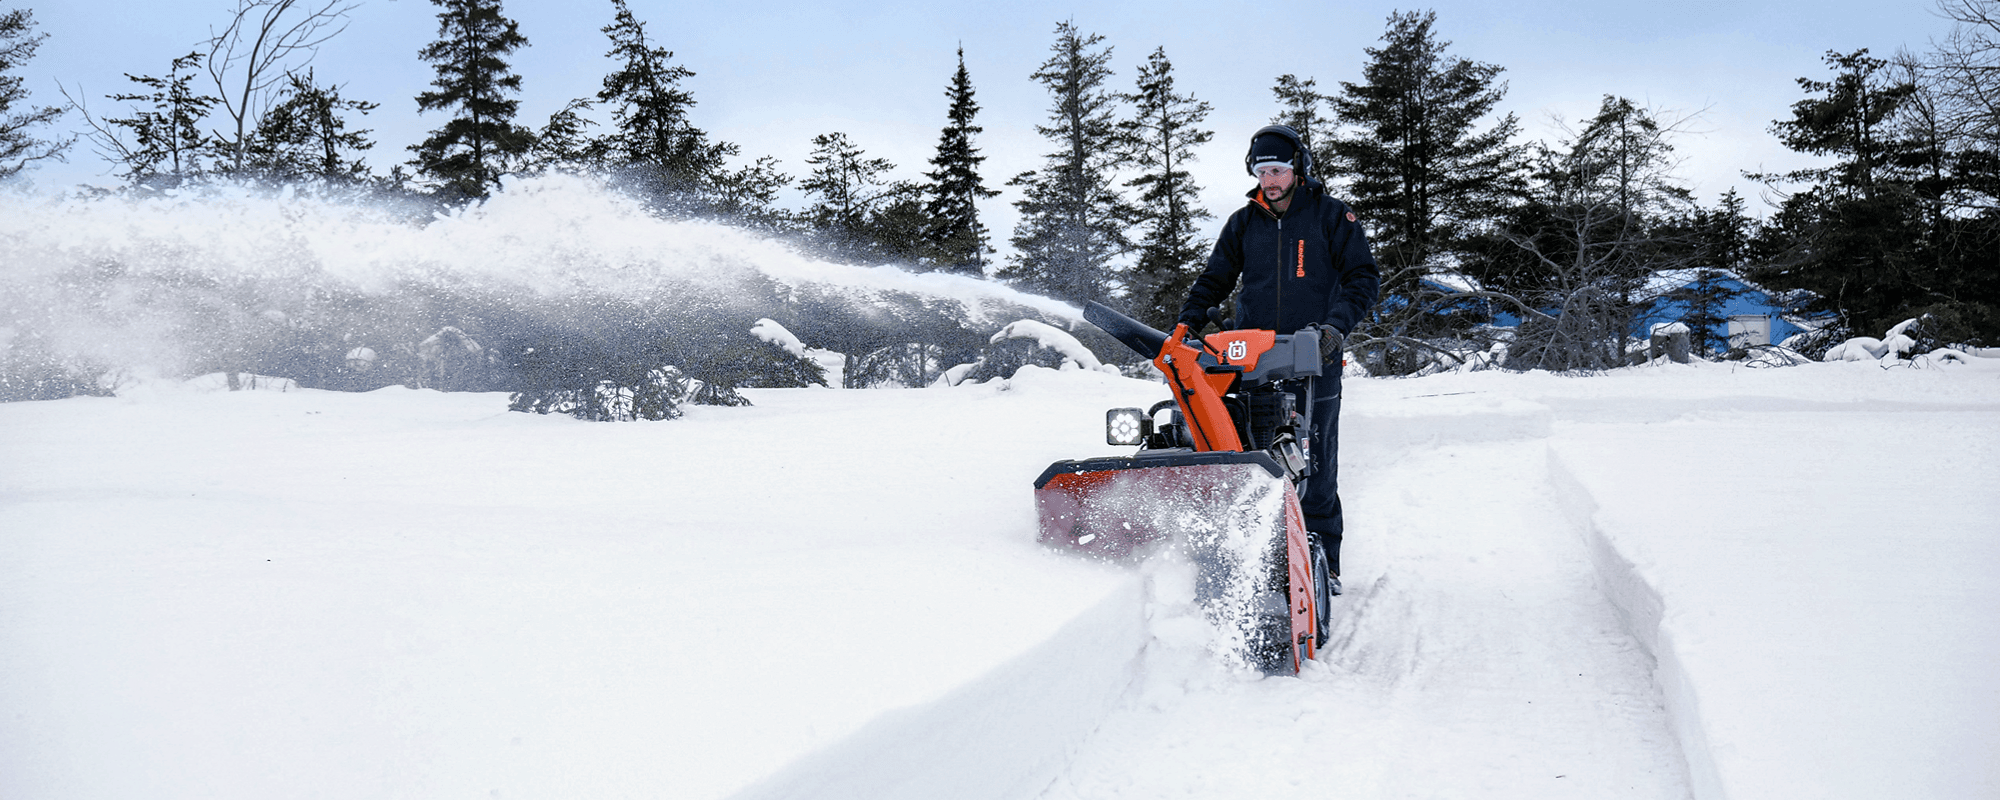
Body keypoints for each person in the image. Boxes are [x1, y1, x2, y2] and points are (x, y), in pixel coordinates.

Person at [1178, 124, 1379, 589]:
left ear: (1298, 169)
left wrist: (1334, 328)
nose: (1270, 180)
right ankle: (1249, 553)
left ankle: (1322, 561)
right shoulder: (1243, 223)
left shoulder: (1331, 217)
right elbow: (1214, 279)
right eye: (1261, 170)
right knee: (1246, 450)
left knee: (1314, 458)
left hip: (1314, 356)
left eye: (1278, 170)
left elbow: (1363, 279)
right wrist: (1187, 325)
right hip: (1250, 360)